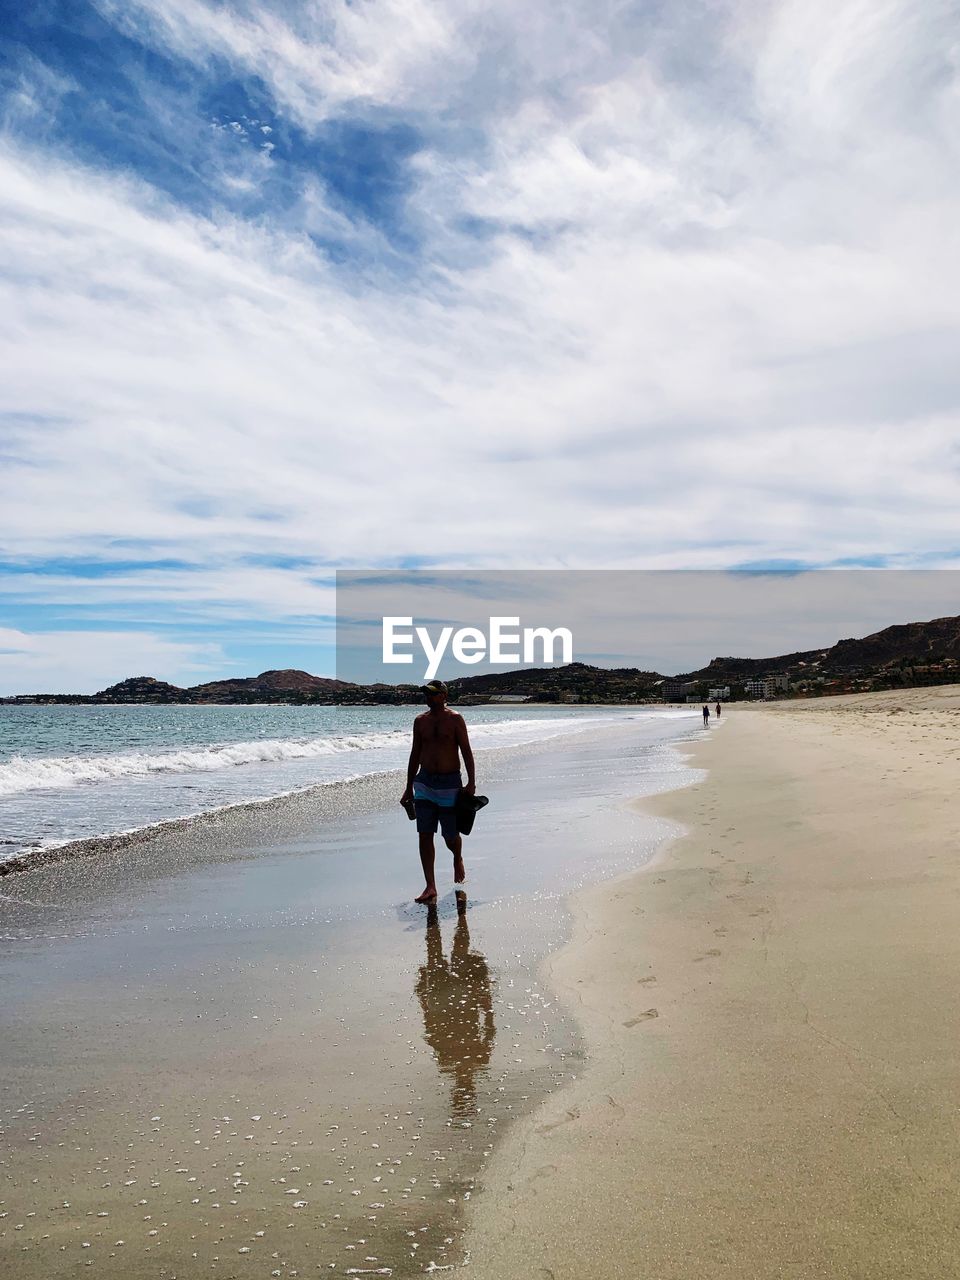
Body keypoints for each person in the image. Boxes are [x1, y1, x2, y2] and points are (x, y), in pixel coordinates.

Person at [401, 679, 476, 904]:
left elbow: (466, 751)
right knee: (424, 834)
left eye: (433, 694)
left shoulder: (455, 720)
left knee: (450, 836)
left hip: (449, 783)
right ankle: (430, 886)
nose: (429, 697)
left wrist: (471, 783)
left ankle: (457, 857)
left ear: (444, 695)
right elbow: (415, 754)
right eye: (427, 694)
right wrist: (408, 787)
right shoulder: (420, 721)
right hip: (423, 783)